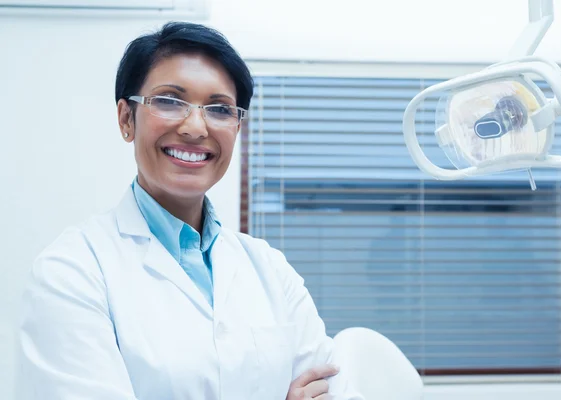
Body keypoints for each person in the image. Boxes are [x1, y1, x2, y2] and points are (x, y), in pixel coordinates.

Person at [16, 22, 364, 400]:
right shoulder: (72, 273)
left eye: (219, 109)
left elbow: (339, 390)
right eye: (169, 100)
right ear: (126, 119)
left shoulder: (270, 270)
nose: (196, 127)